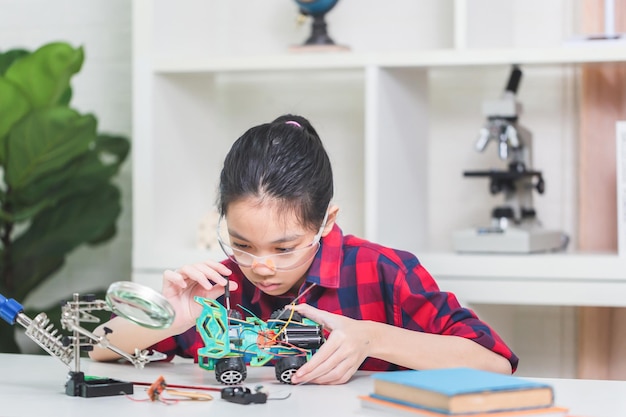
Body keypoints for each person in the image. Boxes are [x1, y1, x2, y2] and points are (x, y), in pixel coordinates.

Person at [90, 114, 518, 385]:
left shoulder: (384, 270)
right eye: (241, 244)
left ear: (326, 222)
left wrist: (371, 338)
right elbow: (99, 347)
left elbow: (495, 364)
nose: (261, 267)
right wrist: (169, 318)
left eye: (285, 247)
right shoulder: (222, 285)